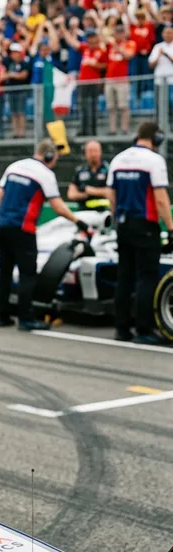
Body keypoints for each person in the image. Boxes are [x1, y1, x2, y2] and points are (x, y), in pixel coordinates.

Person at [0, 139, 89, 331]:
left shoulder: (14, 166)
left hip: (3, 225)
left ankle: (1, 316)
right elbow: (58, 206)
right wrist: (77, 221)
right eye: (55, 158)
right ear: (49, 155)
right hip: (24, 229)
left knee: (4, 273)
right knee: (27, 274)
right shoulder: (45, 174)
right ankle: (26, 319)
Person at [107, 121, 173, 345]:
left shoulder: (118, 159)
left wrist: (116, 219)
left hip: (123, 224)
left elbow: (111, 196)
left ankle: (121, 328)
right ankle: (143, 330)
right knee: (146, 277)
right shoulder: (154, 161)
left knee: (124, 277)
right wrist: (171, 228)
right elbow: (161, 199)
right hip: (145, 225)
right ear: (156, 139)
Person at [104, 24, 136, 135]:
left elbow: (128, 56)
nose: (118, 34)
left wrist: (117, 47)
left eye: (121, 32)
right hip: (109, 80)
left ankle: (124, 129)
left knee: (123, 106)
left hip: (122, 80)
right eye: (117, 32)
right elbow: (101, 40)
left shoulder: (129, 43)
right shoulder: (109, 45)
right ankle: (112, 130)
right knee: (111, 107)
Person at [67, 140, 110, 211]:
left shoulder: (108, 169)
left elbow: (112, 192)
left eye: (95, 150)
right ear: (85, 153)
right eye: (90, 151)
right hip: (84, 211)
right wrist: (84, 195)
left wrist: (92, 191)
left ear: (100, 152)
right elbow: (71, 194)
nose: (93, 154)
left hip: (104, 211)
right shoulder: (80, 170)